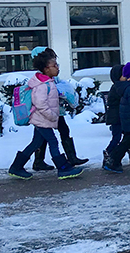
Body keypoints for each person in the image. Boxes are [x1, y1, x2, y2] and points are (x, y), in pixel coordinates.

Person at [7, 49, 84, 180]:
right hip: (42, 119)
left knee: (36, 143)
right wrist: (53, 116)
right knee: (53, 142)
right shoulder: (42, 85)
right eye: (54, 66)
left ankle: (17, 166)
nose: (57, 68)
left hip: (42, 119)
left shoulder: (48, 82)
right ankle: (63, 168)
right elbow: (40, 104)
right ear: (46, 69)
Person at [25, 47, 89, 171]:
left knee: (44, 137)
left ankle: (40, 161)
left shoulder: (50, 77)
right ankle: (63, 162)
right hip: (48, 113)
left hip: (54, 110)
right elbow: (41, 101)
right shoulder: (42, 81)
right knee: (50, 137)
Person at [102, 63, 130, 168]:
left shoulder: (124, 87)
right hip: (116, 118)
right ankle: (109, 153)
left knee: (129, 135)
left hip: (123, 116)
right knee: (117, 137)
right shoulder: (118, 88)